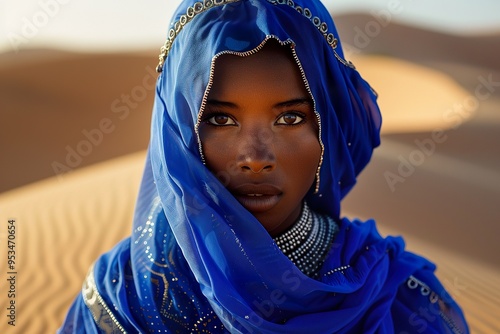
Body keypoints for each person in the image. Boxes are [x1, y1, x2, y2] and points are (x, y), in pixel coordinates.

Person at [59, 0, 469, 333]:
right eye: (220, 120)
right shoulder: (121, 298)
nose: (255, 156)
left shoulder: (405, 299)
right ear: (178, 138)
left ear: (328, 129)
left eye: (289, 118)